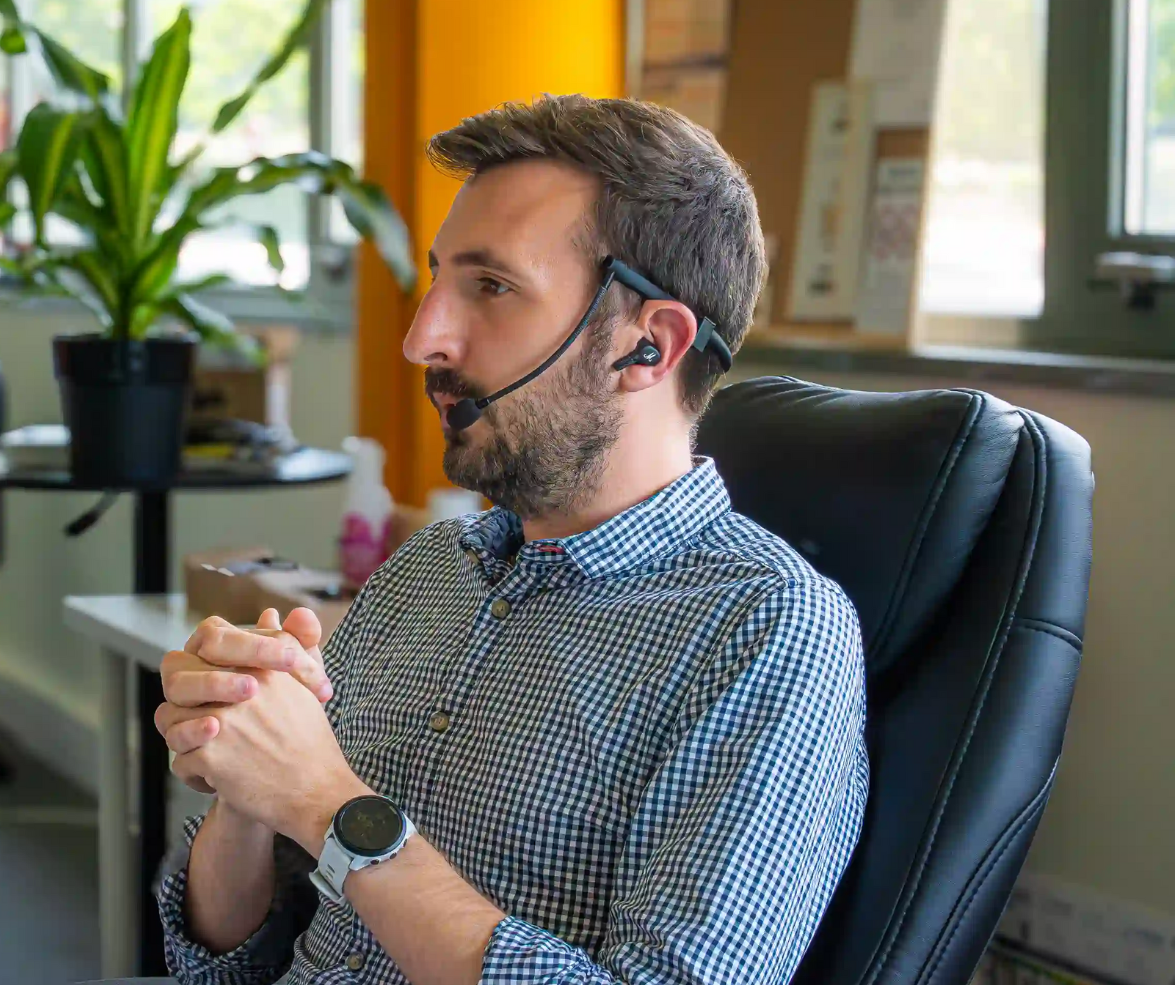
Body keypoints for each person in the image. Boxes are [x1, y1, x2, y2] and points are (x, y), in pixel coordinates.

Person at [154, 94, 869, 985]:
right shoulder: (428, 571)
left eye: (490, 287)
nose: (423, 338)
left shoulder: (767, 632)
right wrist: (250, 781)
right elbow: (226, 963)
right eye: (437, 279)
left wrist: (329, 804)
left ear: (649, 344)